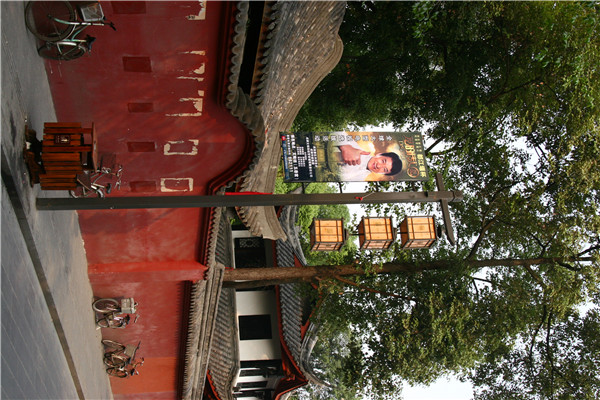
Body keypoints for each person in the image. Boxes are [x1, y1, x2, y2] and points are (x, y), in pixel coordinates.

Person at [336, 143, 402, 181]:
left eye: (384, 169)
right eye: (383, 161)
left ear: (382, 173)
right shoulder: (356, 148)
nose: (378, 166)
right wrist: (345, 147)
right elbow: (337, 133)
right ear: (379, 154)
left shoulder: (359, 178)